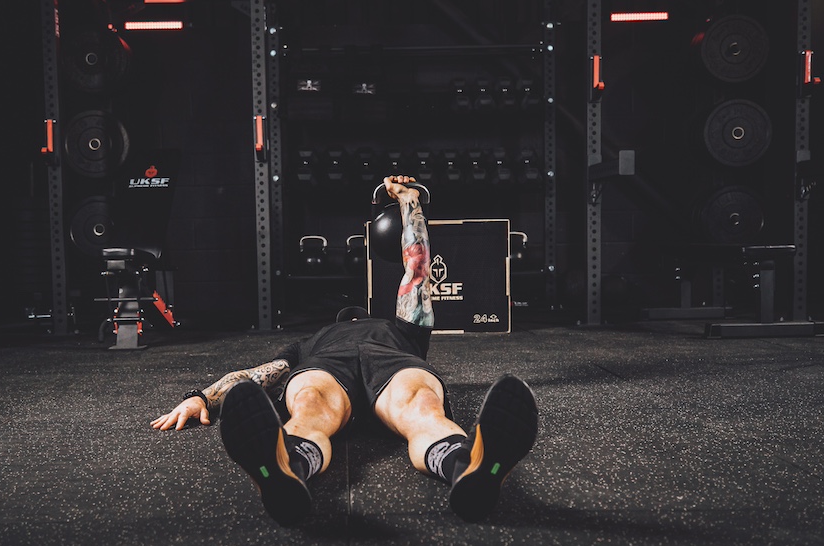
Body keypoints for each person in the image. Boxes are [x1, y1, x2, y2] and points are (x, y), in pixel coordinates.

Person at [151, 175, 539, 525]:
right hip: (330, 367)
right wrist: (200, 398)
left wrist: (410, 200)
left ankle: (466, 467)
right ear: (344, 320)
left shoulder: (402, 327)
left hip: (392, 364)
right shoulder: (311, 342)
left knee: (420, 405)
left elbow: (416, 266)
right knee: (311, 406)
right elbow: (258, 375)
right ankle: (288, 469)